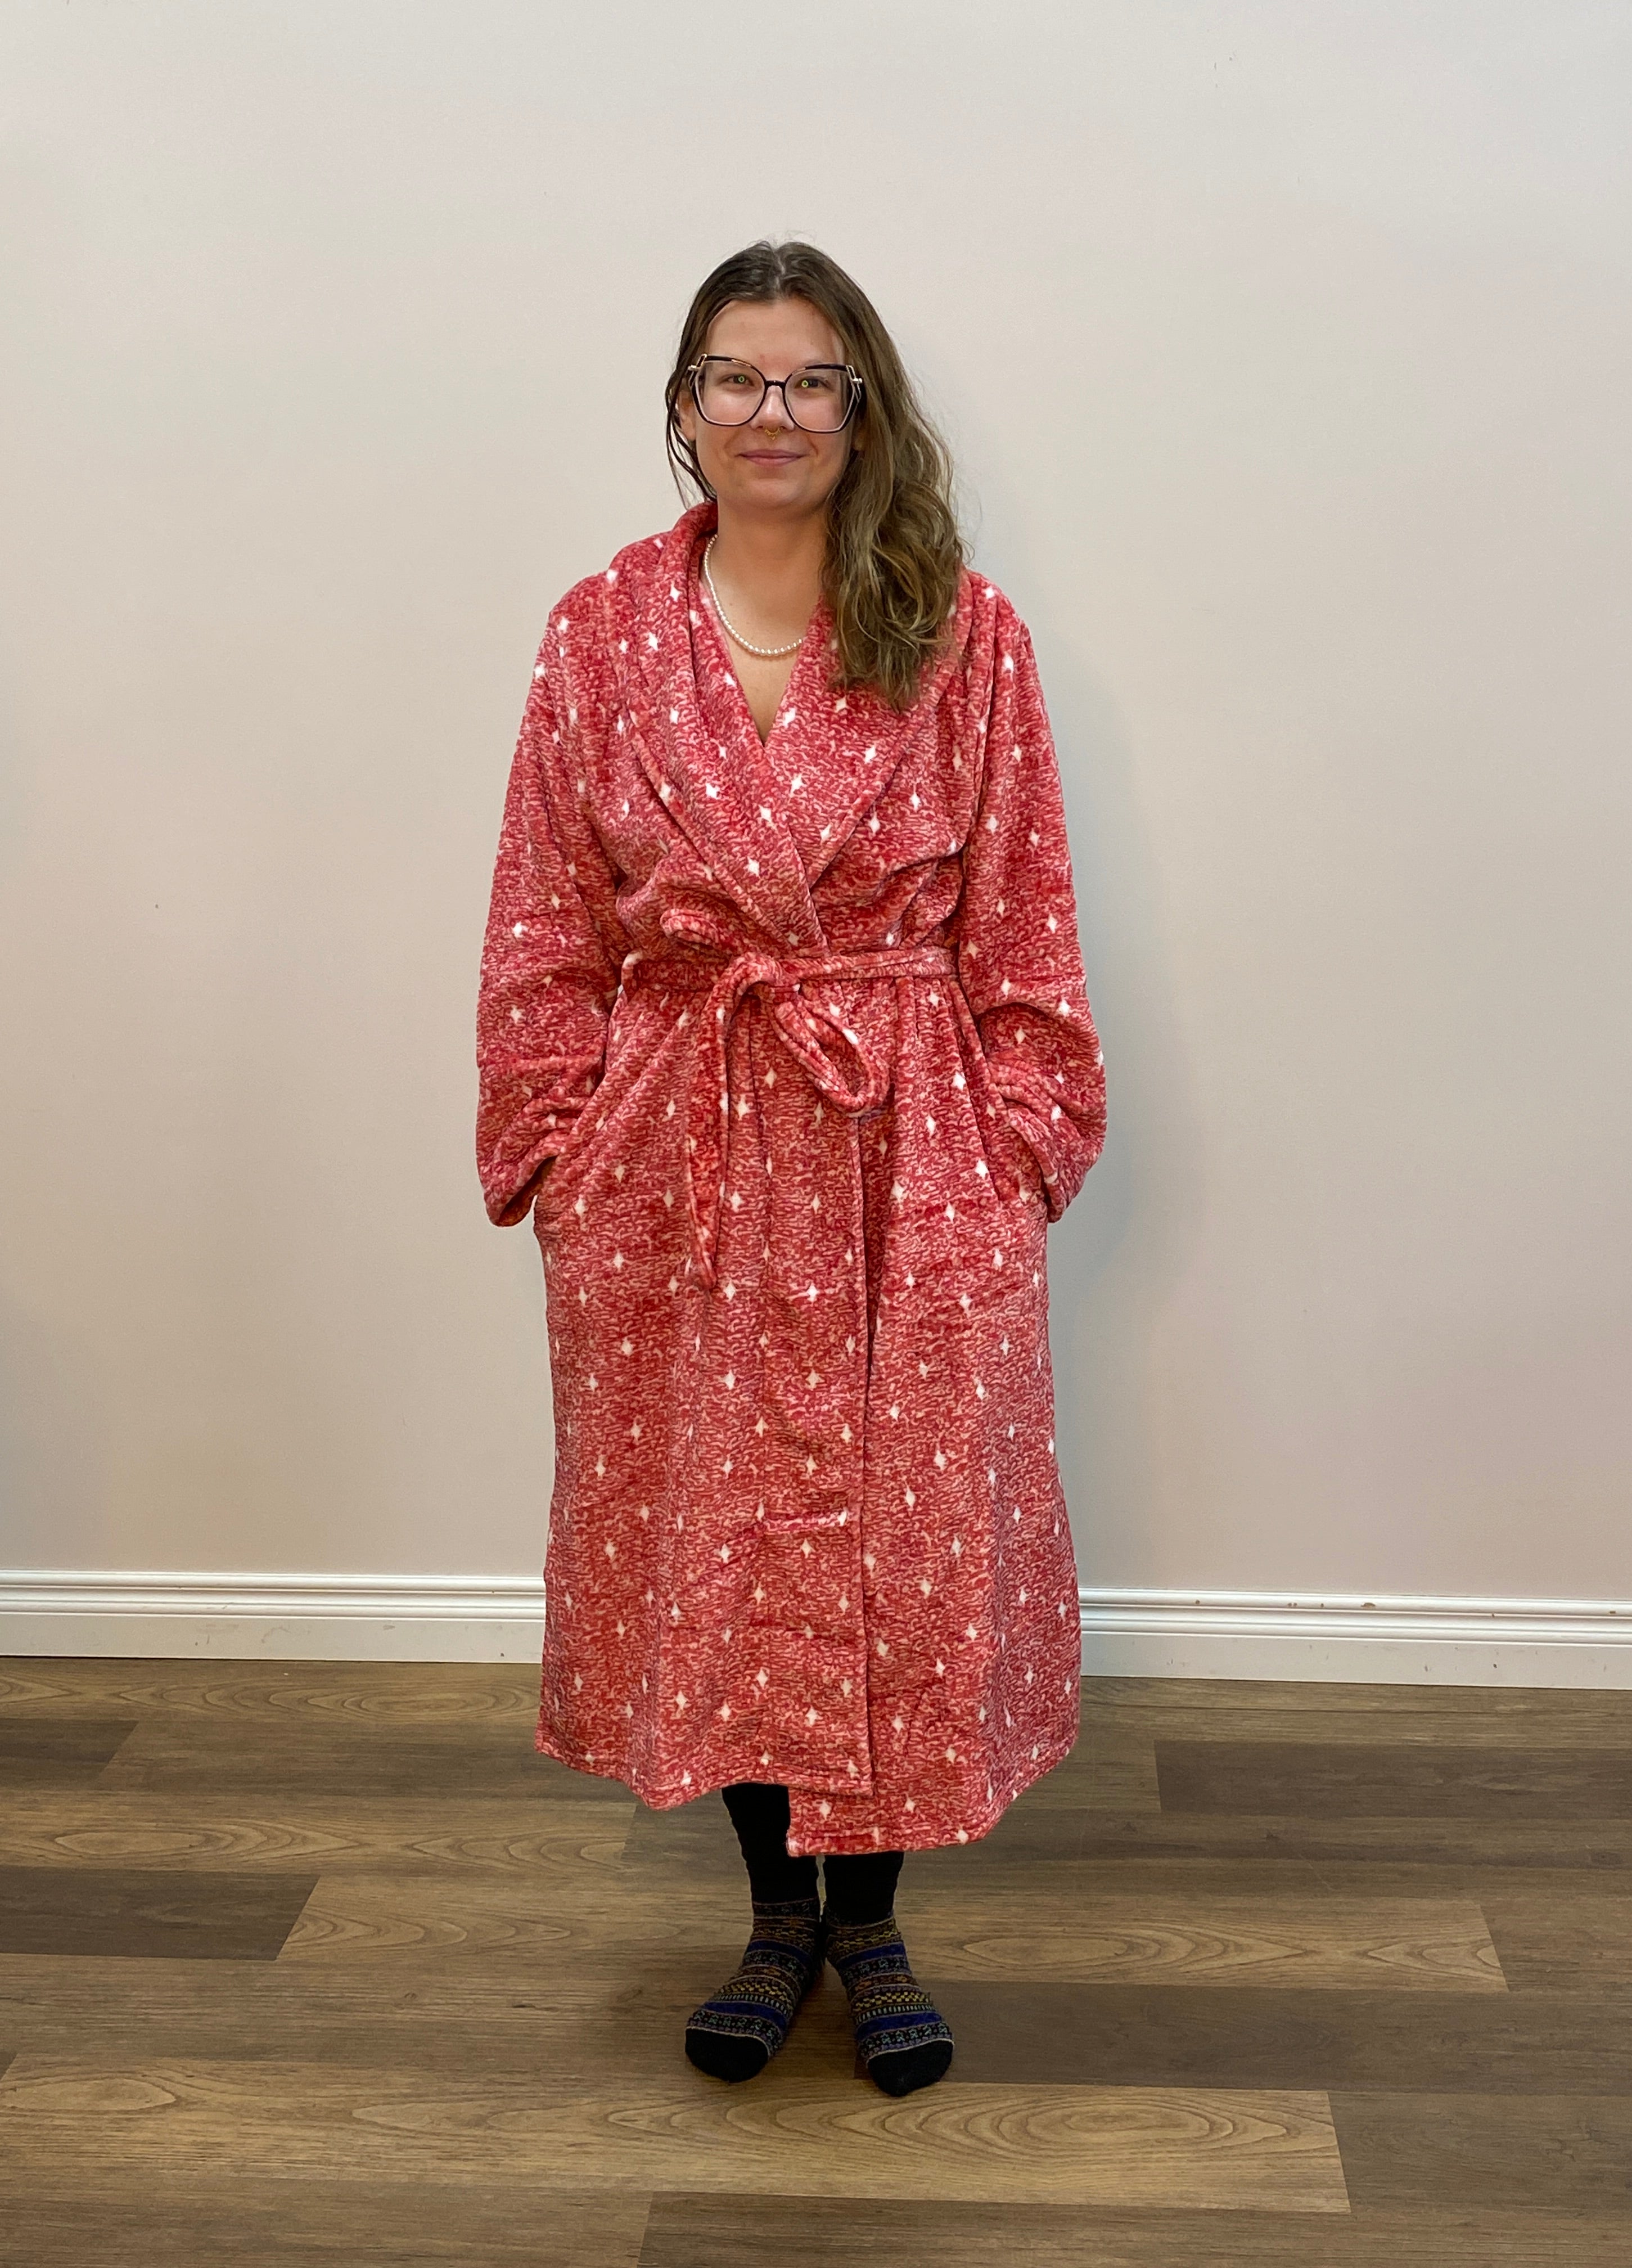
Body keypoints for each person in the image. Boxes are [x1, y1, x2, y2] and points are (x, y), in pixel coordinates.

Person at [475, 240, 1106, 2097]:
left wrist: (1017, 1137)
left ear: (862, 407)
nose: (773, 412)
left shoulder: (961, 631)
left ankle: (875, 1917)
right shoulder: (598, 633)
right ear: (682, 411)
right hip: (679, 1150)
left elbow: (1030, 916)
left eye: (811, 380)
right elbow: (544, 914)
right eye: (736, 380)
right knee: (715, 1541)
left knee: (902, 1548)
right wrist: (561, 1138)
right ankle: (774, 1913)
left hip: (906, 1143)